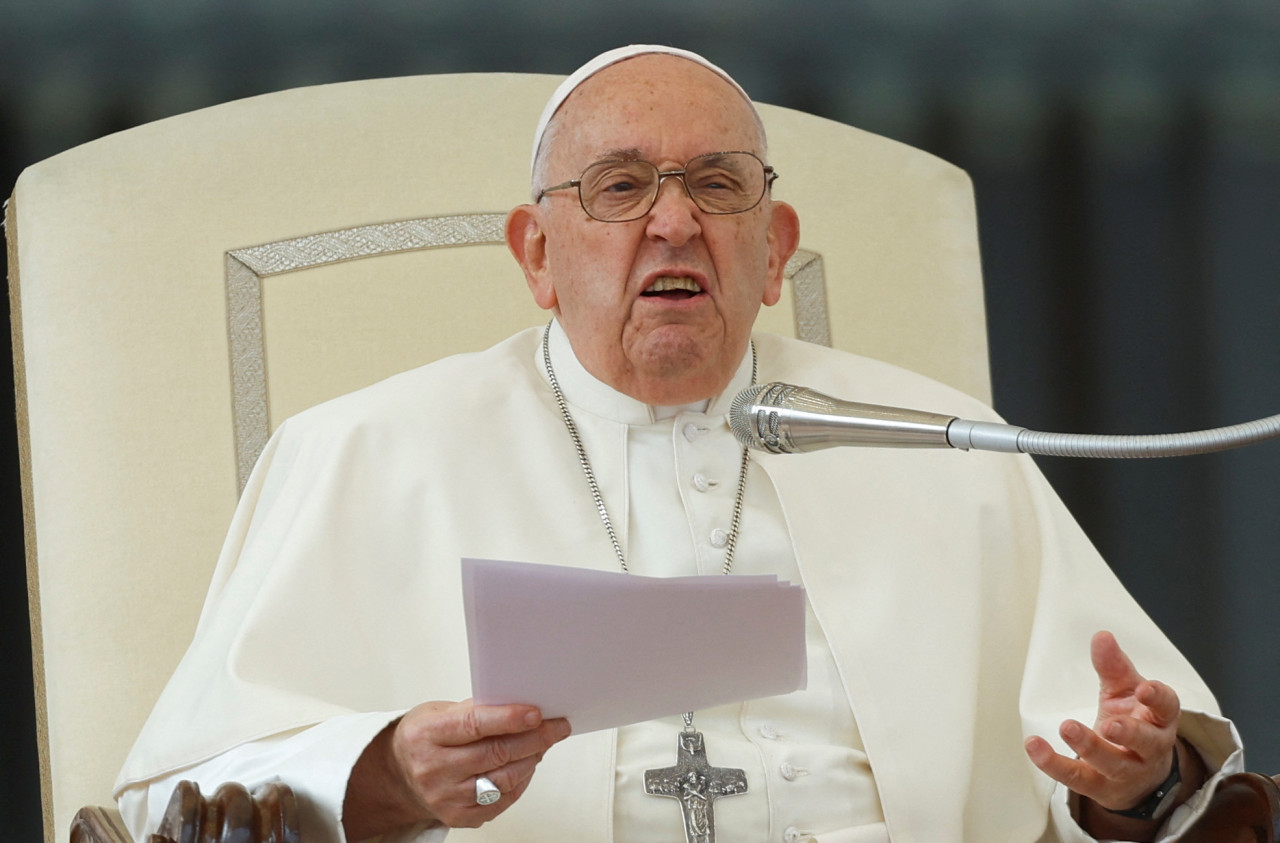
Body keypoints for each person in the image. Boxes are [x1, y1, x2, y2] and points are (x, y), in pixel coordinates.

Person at [115, 45, 1241, 842]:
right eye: (618, 188)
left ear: (772, 246)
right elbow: (181, 807)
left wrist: (1126, 783)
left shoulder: (934, 445)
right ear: (537, 255)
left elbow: (1125, 783)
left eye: (715, 184)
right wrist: (388, 776)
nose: (672, 221)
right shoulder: (362, 454)